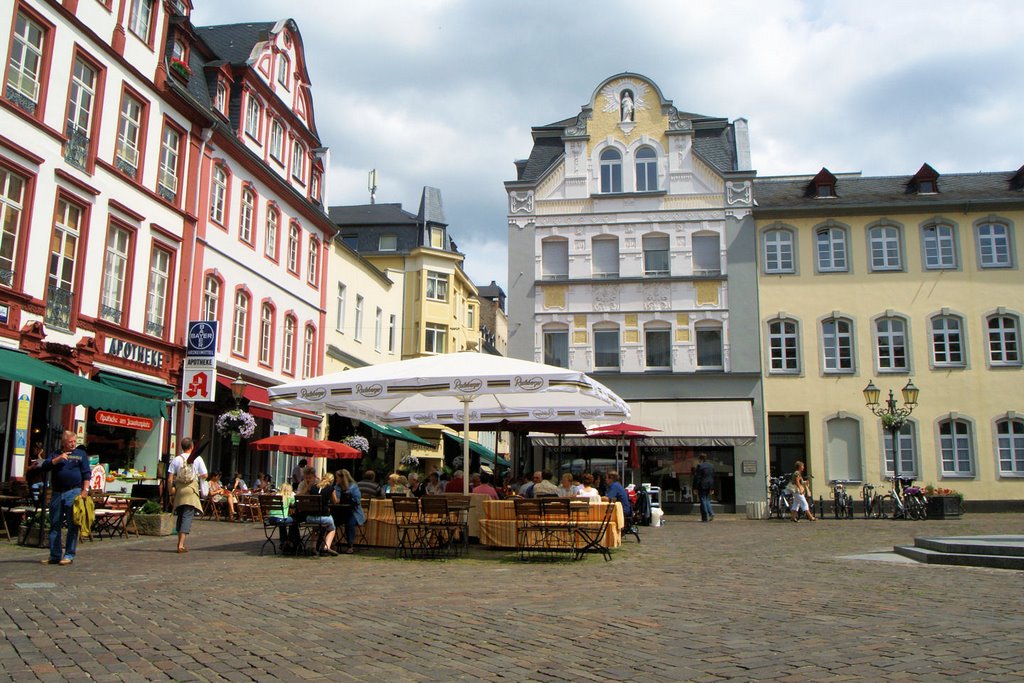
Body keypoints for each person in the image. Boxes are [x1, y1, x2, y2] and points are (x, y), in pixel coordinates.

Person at [37, 431, 90, 566]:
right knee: (55, 524)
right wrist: (59, 458)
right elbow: (44, 466)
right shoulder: (56, 454)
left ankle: (69, 555)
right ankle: (54, 555)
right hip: (57, 492)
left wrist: (85, 490)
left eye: (74, 441)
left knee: (73, 524)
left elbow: (86, 473)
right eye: (70, 442)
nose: (73, 444)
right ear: (64, 443)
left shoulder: (80, 454)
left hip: (73, 491)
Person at [167, 437, 204, 553]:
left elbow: (169, 479)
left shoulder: (176, 459)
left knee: (181, 515)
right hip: (191, 489)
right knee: (187, 516)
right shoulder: (197, 459)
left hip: (179, 490)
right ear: (192, 447)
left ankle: (180, 542)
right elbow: (205, 474)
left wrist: (170, 493)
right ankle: (181, 545)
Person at [333, 469, 364, 554]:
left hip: (353, 512)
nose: (336, 479)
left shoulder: (353, 486)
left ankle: (350, 545)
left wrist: (349, 499)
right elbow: (336, 499)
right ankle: (332, 542)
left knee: (349, 523)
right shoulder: (337, 487)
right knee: (332, 522)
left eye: (337, 478)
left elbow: (357, 500)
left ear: (343, 478)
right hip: (340, 511)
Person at [693, 453, 716, 522]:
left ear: (700, 459)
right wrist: (712, 487)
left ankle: (705, 517)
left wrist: (695, 488)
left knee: (703, 499)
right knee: (707, 499)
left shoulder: (700, 466)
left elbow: (697, 478)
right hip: (709, 484)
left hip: (702, 485)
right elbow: (712, 477)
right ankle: (711, 513)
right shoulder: (711, 466)